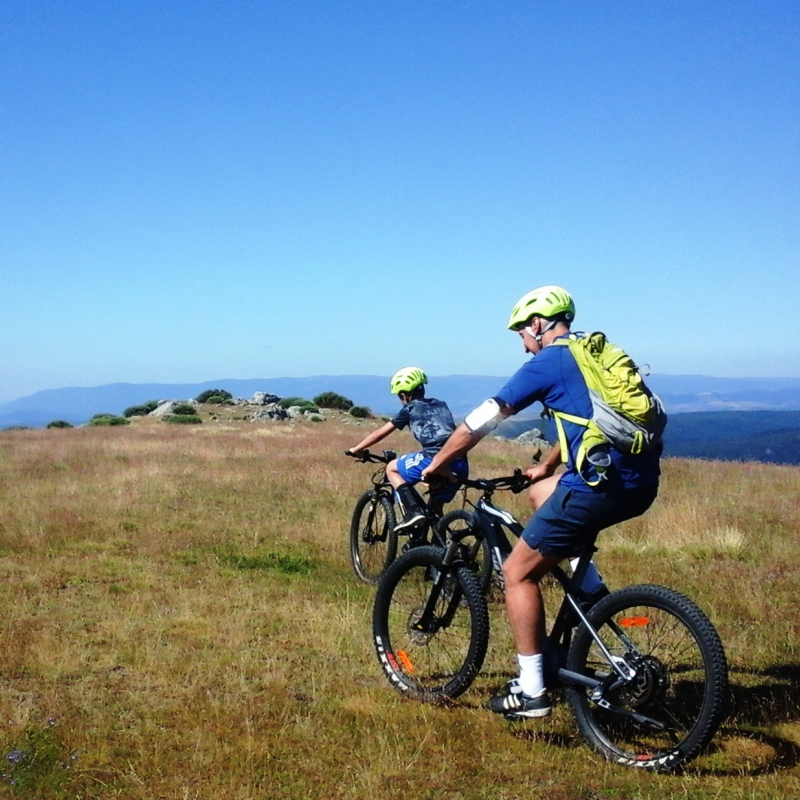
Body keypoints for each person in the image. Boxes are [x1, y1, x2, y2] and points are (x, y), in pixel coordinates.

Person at [422, 286, 661, 719]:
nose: (522, 341)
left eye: (521, 331)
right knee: (541, 492)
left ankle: (531, 691)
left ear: (537, 323)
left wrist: (440, 463)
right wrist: (546, 464)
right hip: (639, 481)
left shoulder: (547, 361)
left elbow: (484, 418)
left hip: (598, 486)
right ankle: (590, 594)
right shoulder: (592, 354)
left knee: (517, 572)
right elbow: (589, 420)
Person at [348, 367, 469, 539]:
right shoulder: (441, 405)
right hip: (460, 464)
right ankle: (439, 556)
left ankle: (412, 511)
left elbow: (381, 432)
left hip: (434, 460)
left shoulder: (410, 408)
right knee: (435, 509)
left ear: (404, 395)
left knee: (392, 468)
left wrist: (357, 449)